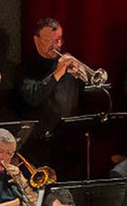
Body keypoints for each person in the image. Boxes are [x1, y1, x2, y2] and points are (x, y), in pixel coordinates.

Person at [17, 17, 85, 151]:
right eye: (49, 41)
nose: (56, 46)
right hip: (39, 142)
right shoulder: (25, 68)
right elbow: (34, 98)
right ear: (36, 41)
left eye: (58, 40)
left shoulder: (67, 62)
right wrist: (57, 73)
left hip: (68, 140)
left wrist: (82, 76)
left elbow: (81, 96)